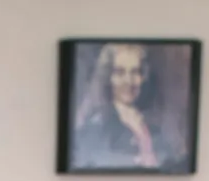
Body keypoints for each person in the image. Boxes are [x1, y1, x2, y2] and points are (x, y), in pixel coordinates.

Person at [72, 43, 172, 171]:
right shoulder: (97, 125)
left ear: (143, 77)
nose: (128, 81)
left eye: (135, 72)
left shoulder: (154, 128)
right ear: (108, 77)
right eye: (120, 72)